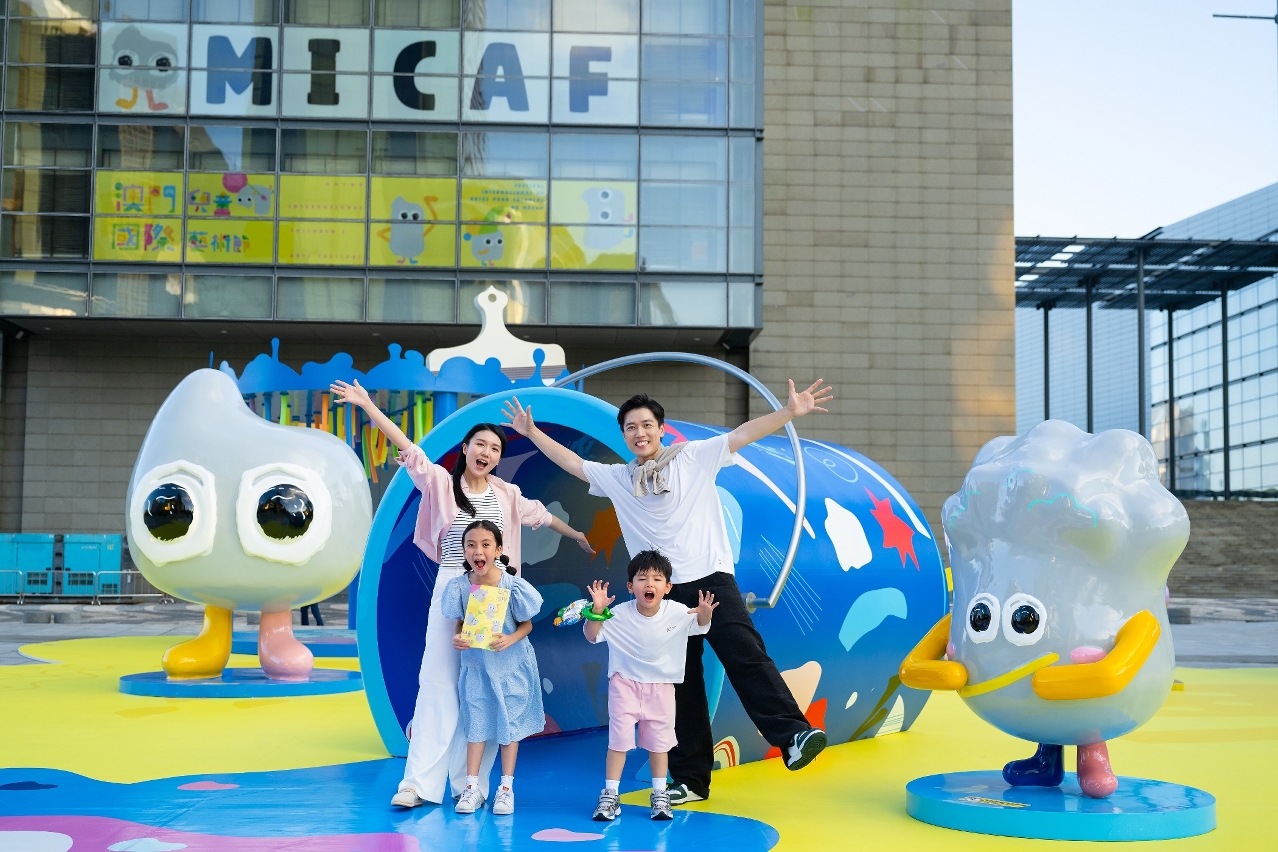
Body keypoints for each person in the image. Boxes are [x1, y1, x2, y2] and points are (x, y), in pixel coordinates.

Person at [502, 379, 834, 804]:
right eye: (631, 428)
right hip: (661, 593)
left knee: (746, 655)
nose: (639, 433)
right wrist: (532, 432)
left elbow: (742, 434)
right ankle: (691, 780)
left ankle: (793, 736)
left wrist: (789, 412)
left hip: (710, 580)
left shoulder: (693, 456)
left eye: (647, 425)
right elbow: (574, 463)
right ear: (624, 436)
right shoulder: (620, 477)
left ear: (661, 429)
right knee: (680, 684)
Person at [330, 379, 594, 808]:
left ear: (498, 458)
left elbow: (542, 517)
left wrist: (577, 534)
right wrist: (367, 405)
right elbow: (409, 449)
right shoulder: (440, 482)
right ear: (466, 448)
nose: (486, 452)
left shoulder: (507, 494)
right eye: (480, 444)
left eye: (494, 448)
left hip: (496, 591)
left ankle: (470, 783)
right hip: (454, 584)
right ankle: (418, 784)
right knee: (436, 680)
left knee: (487, 684)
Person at [583, 550, 717, 822]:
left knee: (659, 744)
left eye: (657, 579)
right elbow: (592, 636)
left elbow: (700, 626)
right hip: (625, 686)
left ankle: (659, 794)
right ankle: (610, 795)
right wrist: (596, 612)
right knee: (618, 742)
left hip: (662, 688)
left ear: (667, 587)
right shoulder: (618, 614)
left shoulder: (677, 611)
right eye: (642, 578)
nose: (649, 584)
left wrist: (705, 615)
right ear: (630, 586)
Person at [441, 520, 544, 816]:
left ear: (498, 550)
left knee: (509, 727)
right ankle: (471, 787)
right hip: (477, 668)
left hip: (511, 669)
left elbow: (527, 625)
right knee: (476, 724)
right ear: (464, 551)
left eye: (486, 544)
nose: (478, 551)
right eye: (471, 545)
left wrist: (510, 639)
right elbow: (461, 623)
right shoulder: (461, 586)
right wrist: (458, 637)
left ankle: (506, 788)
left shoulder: (511, 586)